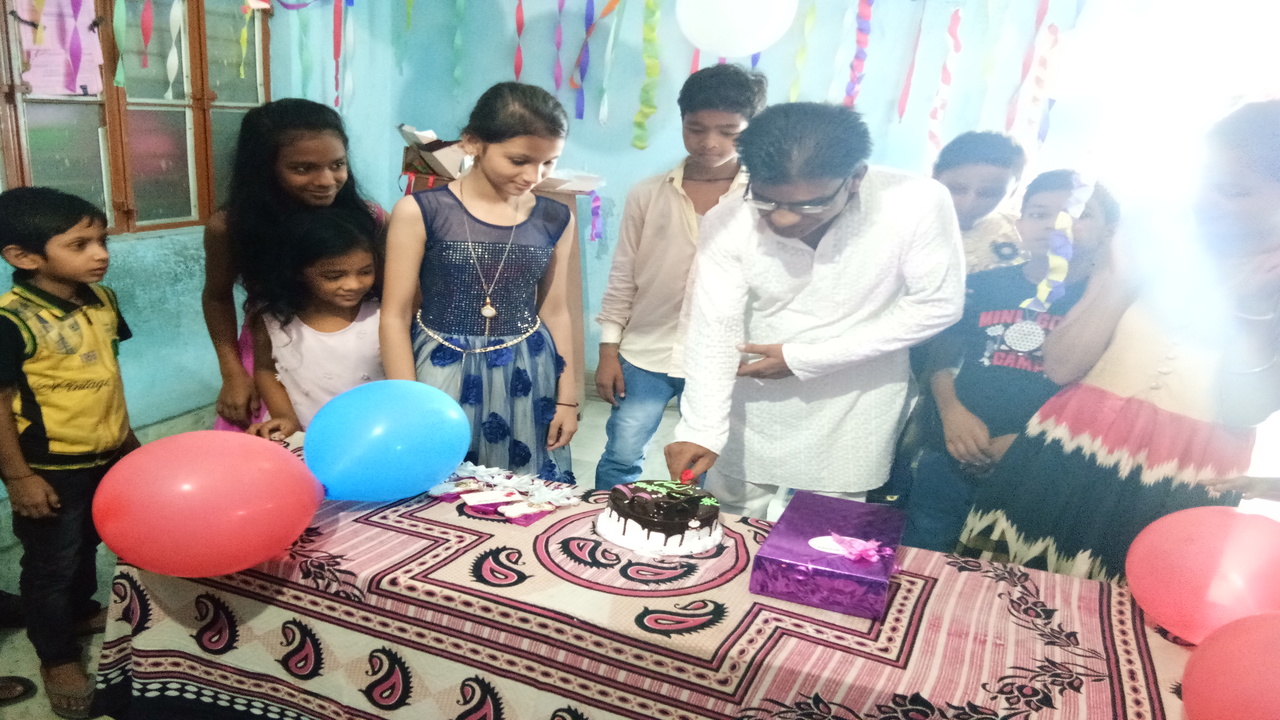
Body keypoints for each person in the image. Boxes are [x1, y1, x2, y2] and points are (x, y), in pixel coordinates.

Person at [952, 103, 1280, 581]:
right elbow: (1061, 367)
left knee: (1125, 615)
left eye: (1232, 191)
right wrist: (1122, 281)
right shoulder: (1152, 246)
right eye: (1204, 182)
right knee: (996, 596)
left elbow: (1243, 410)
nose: (1207, 201)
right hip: (1068, 447)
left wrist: (1254, 309)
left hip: (1184, 476)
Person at [665, 103, 965, 520]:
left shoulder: (914, 203)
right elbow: (714, 328)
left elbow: (937, 304)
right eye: (766, 200)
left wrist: (806, 358)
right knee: (732, 521)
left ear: (856, 178)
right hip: (753, 402)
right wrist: (701, 428)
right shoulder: (728, 220)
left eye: (809, 205)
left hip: (855, 402)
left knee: (825, 532)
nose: (784, 218)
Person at [903, 171, 1120, 551]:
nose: (1055, 224)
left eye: (1078, 214)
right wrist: (952, 413)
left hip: (1043, 463)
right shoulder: (982, 286)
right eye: (1039, 213)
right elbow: (943, 358)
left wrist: (1031, 442)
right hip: (953, 449)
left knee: (1006, 565)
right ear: (1019, 224)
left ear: (1109, 231)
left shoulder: (1107, 305)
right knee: (923, 550)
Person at [381, 82, 579, 482]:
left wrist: (568, 399)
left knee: (519, 489)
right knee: (439, 478)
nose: (533, 176)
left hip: (526, 370)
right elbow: (394, 315)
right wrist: (409, 402)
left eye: (548, 163)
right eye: (519, 160)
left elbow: (555, 310)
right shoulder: (420, 211)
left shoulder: (555, 218)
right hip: (442, 364)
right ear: (472, 143)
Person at [0, 187, 139, 719]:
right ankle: (56, 656)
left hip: (106, 455)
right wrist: (19, 478)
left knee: (88, 545)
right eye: (80, 245)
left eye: (102, 241)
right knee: (51, 565)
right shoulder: (11, 319)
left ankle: (79, 615)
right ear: (24, 256)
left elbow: (107, 377)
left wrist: (128, 443)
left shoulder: (102, 300)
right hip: (49, 468)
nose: (100, 254)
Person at [594, 64, 767, 489]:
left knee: (702, 465)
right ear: (682, 120)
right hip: (644, 353)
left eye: (729, 131)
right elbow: (623, 274)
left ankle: (688, 526)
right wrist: (608, 350)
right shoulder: (647, 193)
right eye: (696, 128)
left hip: (721, 360)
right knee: (622, 452)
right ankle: (602, 518)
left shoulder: (762, 200)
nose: (710, 142)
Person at [203, 98, 382, 430]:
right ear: (264, 168)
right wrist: (232, 373)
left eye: (337, 164)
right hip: (270, 355)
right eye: (303, 169)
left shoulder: (368, 219)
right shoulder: (230, 227)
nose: (326, 180)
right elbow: (216, 297)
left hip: (356, 355)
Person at [245, 207, 384, 439]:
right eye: (334, 276)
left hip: (372, 435)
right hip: (306, 437)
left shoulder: (382, 314)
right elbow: (265, 370)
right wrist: (285, 417)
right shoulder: (273, 319)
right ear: (299, 271)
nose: (353, 284)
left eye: (365, 272)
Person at [934, 131, 1027, 273]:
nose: (968, 203)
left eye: (989, 194)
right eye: (956, 189)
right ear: (935, 178)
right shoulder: (903, 224)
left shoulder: (1022, 234)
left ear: (1013, 191)